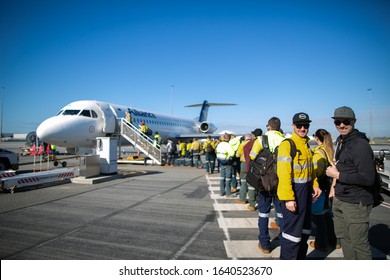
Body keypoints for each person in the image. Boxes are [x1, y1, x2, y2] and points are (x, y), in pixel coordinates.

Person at [326, 106, 376, 259]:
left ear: (354, 121)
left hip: (355, 203)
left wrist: (338, 175)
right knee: (345, 240)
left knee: (359, 245)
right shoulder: (342, 141)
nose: (341, 125)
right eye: (338, 122)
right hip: (341, 199)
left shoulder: (360, 145)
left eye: (346, 121)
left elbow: (368, 178)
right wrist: (334, 188)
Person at [277, 112, 321, 259]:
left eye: (306, 125)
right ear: (293, 126)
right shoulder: (287, 145)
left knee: (304, 232)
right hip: (294, 193)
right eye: (299, 125)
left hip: (306, 193)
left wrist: (315, 185)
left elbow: (310, 170)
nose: (303, 128)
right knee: (292, 236)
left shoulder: (306, 145)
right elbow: (284, 174)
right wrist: (289, 198)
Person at [250, 118, 285, 254]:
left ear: (269, 127)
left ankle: (264, 244)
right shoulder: (285, 141)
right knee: (281, 213)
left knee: (263, 214)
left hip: (264, 182)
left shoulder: (261, 139)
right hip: (279, 182)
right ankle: (283, 240)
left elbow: (252, 156)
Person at [310, 129, 338, 252]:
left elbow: (315, 172)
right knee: (327, 216)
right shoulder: (329, 151)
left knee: (318, 217)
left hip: (319, 188)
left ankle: (321, 243)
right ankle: (334, 241)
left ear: (316, 138)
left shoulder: (318, 154)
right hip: (327, 186)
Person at [235, 133, 253, 204]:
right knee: (251, 183)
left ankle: (242, 199)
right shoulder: (254, 143)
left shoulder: (242, 144)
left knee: (243, 182)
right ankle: (252, 202)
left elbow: (237, 154)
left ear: (245, 138)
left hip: (244, 164)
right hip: (252, 164)